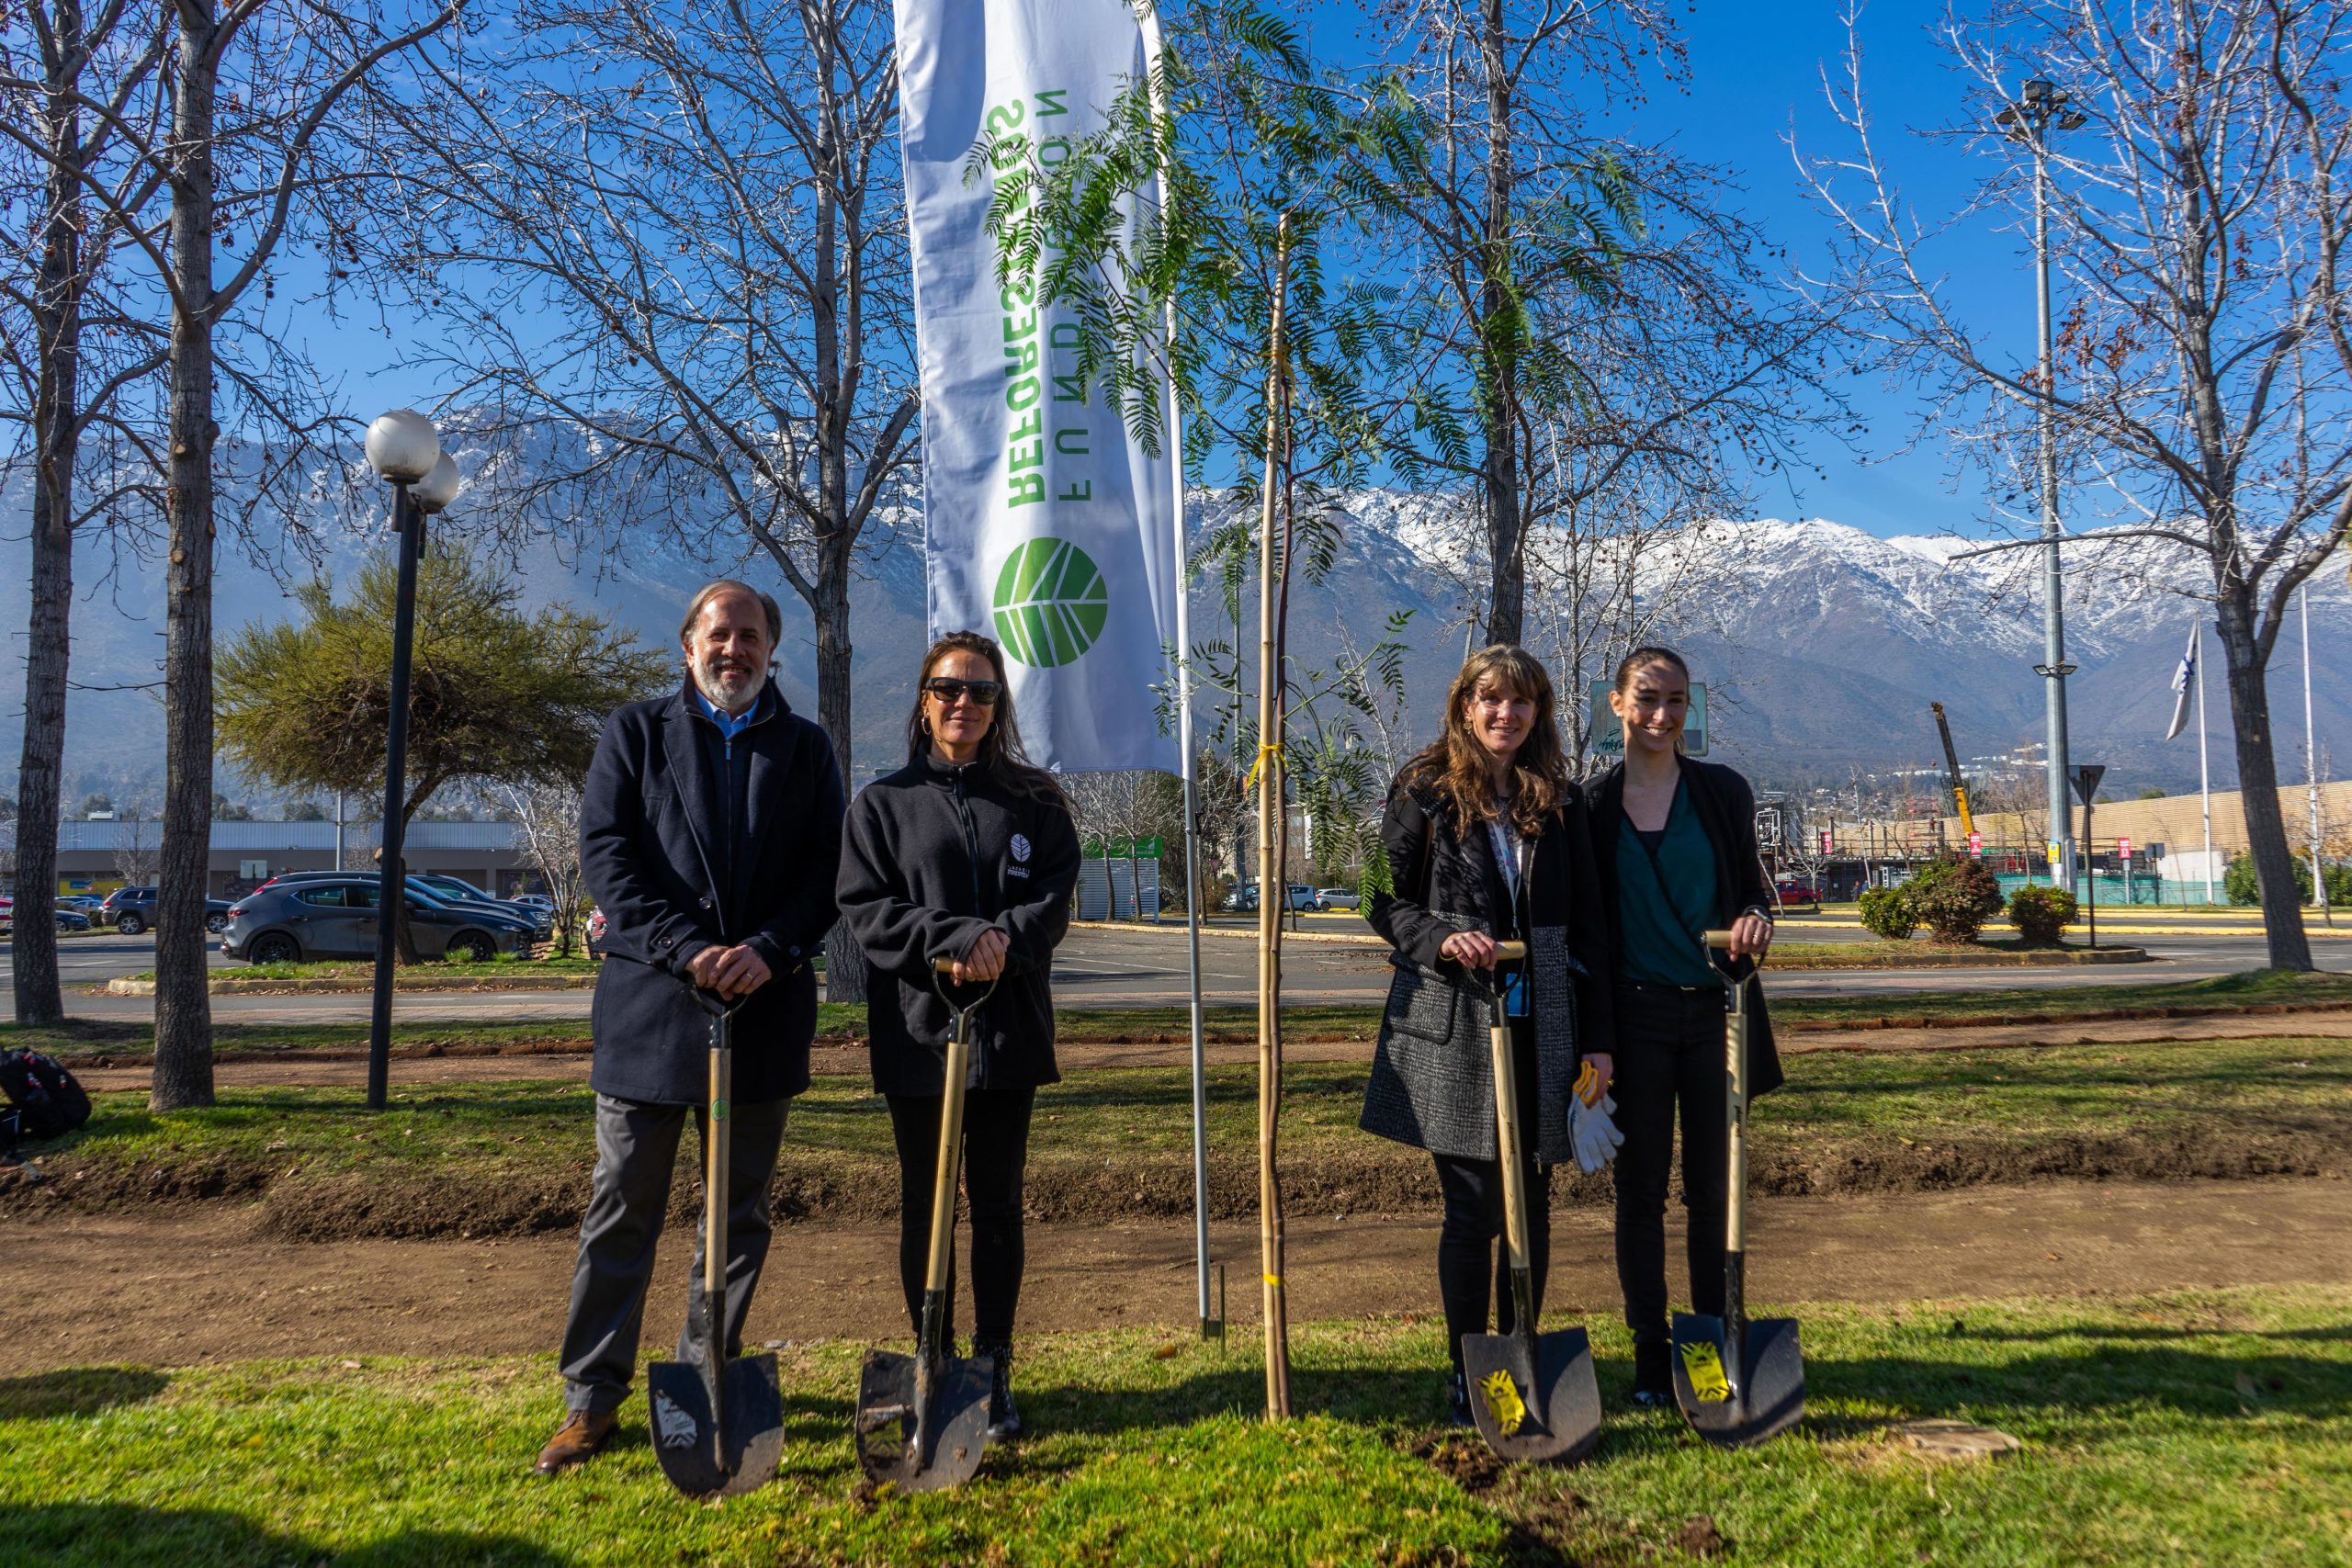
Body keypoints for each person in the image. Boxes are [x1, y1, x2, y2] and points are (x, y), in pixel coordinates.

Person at [536, 580, 845, 1475]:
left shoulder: (806, 747)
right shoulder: (635, 734)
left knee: (736, 1218)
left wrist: (771, 949)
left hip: (762, 1011)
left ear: (771, 652)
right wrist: (686, 949)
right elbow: (608, 857)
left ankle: (704, 1377)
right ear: (688, 646)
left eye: (750, 636)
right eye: (719, 634)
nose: (733, 649)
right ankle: (591, 1398)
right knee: (621, 1207)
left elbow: (828, 869)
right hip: (651, 1013)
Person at [1360, 645, 1617, 1426]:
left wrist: (1599, 1041)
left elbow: (1592, 924)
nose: (1507, 713)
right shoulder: (1422, 787)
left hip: (1545, 1024)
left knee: (1531, 1205)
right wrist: (1440, 936)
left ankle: (1522, 1349)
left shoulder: (1560, 800)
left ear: (1539, 711)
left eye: (1522, 700)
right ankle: (1467, 1367)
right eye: (1492, 699)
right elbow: (1377, 894)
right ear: (1465, 705)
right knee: (1472, 1208)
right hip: (1456, 1023)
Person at [836, 630, 1080, 1440]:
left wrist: (1003, 942)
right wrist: (956, 938)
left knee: (999, 1202)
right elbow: (868, 908)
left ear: (998, 705)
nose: (963, 703)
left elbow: (1053, 897)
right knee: (926, 1203)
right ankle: (932, 1359)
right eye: (948, 688)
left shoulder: (1037, 800)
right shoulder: (882, 804)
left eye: (980, 691)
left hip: (1007, 1033)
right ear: (923, 699)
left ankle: (993, 1363)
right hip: (919, 1034)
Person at [1587, 644, 1782, 1408]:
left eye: (1675, 700)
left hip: (1715, 1016)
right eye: (1647, 698)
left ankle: (1714, 1340)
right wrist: (1596, 1042)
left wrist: (1756, 918)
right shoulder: (1589, 807)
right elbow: (1588, 932)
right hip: (1634, 1019)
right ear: (1616, 703)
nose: (1662, 714)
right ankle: (1649, 1352)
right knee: (1639, 1193)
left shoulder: (1723, 792)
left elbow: (1749, 891)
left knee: (1714, 1189)